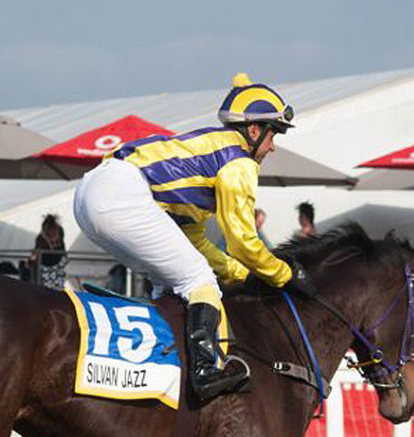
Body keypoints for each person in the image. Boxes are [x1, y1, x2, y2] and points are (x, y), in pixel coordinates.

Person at [73, 72, 314, 403]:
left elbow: (194, 241)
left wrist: (242, 274)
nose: (272, 146)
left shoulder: (210, 151)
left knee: (170, 281)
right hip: (120, 194)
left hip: (90, 193)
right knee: (199, 281)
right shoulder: (239, 161)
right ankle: (204, 372)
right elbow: (242, 241)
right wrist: (284, 274)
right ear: (254, 130)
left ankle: (159, 364)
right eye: (273, 134)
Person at [28, 214, 68, 290]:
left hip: (58, 263)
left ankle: (57, 292)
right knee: (48, 287)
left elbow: (62, 246)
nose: (53, 237)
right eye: (51, 235)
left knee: (58, 285)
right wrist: (30, 261)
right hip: (46, 266)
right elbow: (34, 254)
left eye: (55, 234)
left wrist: (65, 256)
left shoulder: (60, 232)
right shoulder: (40, 239)